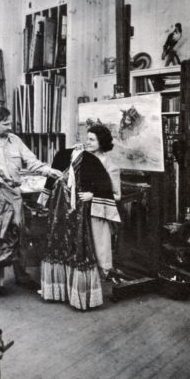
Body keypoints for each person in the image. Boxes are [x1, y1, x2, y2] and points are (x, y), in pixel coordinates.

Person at [0, 106, 62, 295]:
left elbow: (31, 161)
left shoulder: (15, 141)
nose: (10, 126)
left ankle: (22, 276)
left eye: (10, 122)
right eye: (6, 123)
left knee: (19, 236)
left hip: (14, 196)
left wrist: (49, 170)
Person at [40, 124, 121, 310]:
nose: (88, 142)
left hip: (95, 215)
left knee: (95, 254)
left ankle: (89, 293)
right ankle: (70, 290)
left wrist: (93, 195)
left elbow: (116, 195)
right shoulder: (80, 159)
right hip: (76, 216)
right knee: (75, 252)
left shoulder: (110, 165)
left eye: (92, 139)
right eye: (88, 138)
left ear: (102, 142)